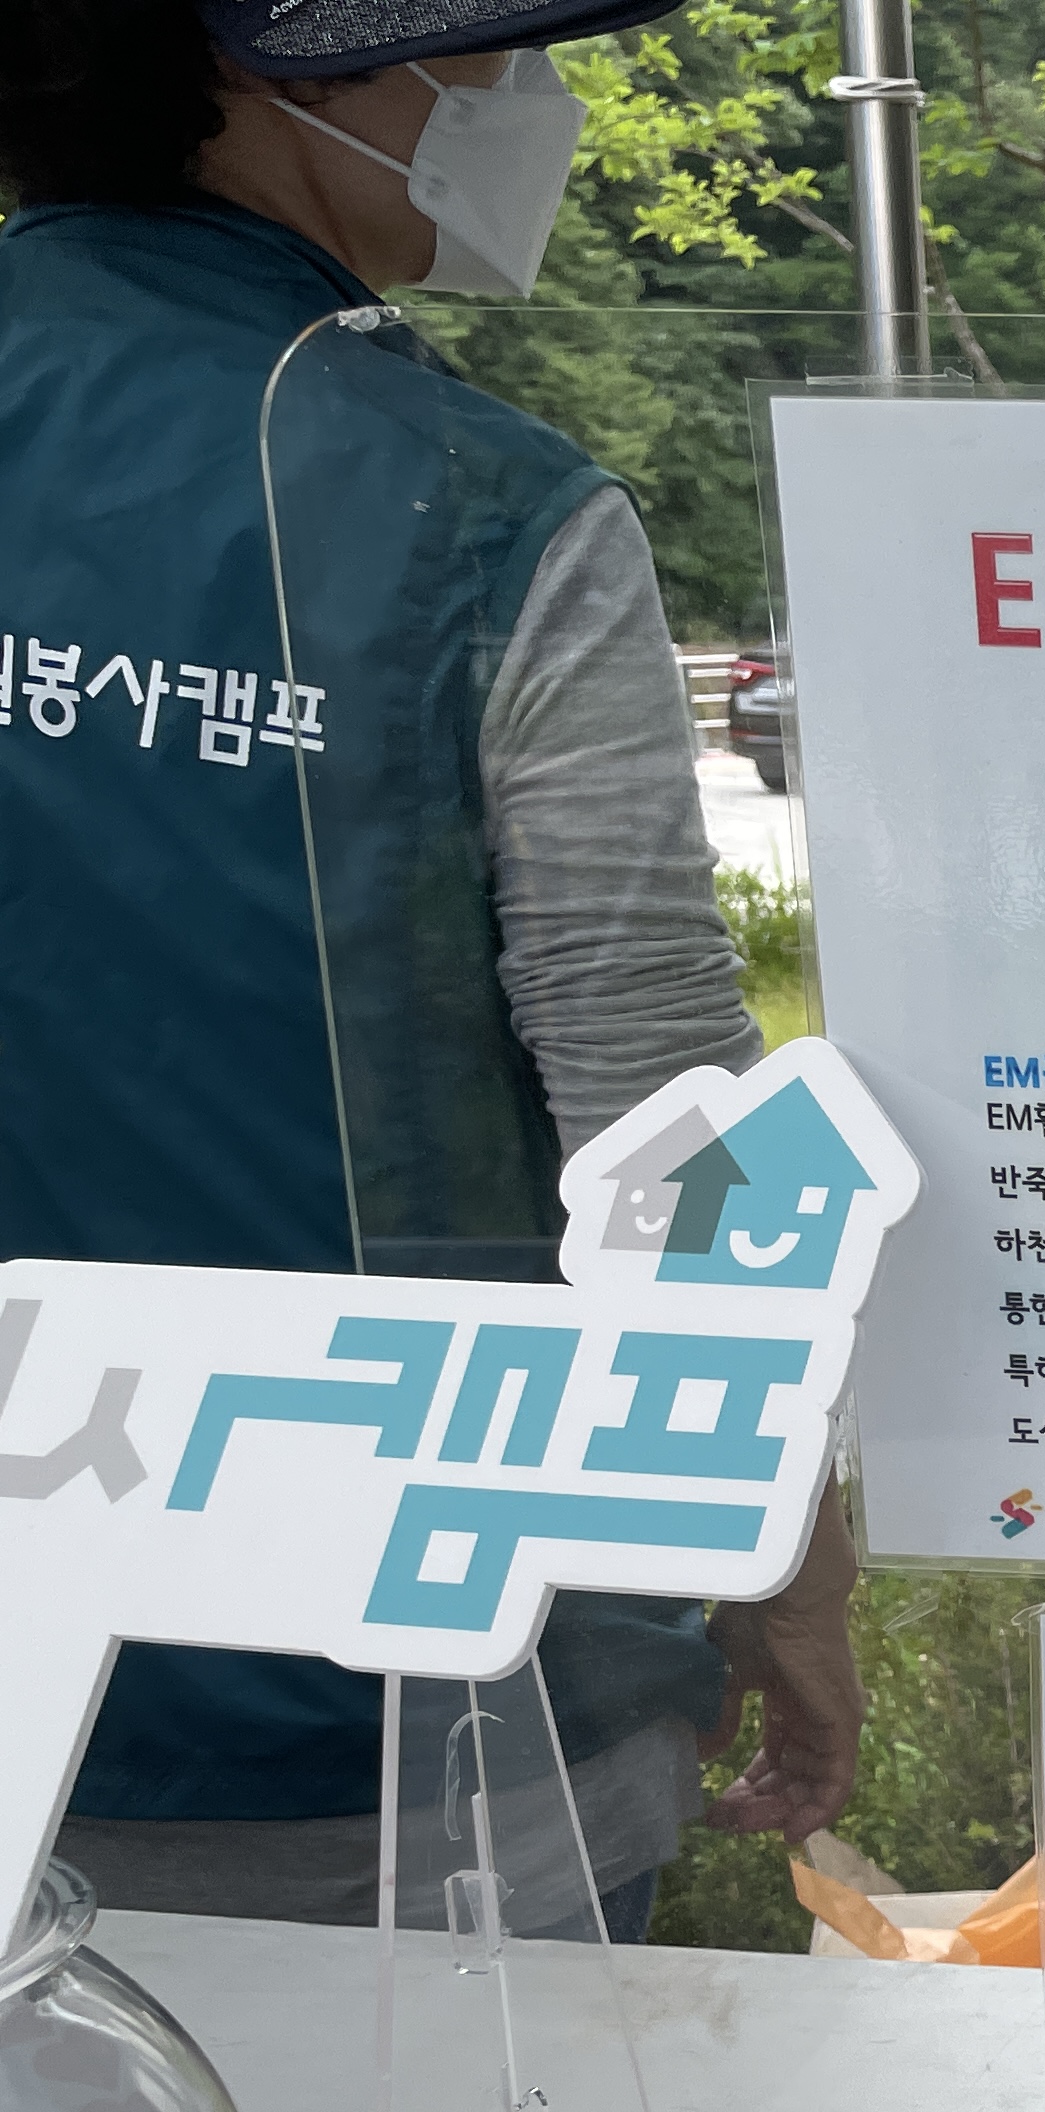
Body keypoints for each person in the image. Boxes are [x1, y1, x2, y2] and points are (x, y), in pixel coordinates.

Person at [0, 0, 860, 1934]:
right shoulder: (475, 509)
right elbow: (667, 1122)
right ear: (296, 61)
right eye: (493, 52)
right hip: (415, 1720)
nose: (535, 102)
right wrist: (786, 1561)